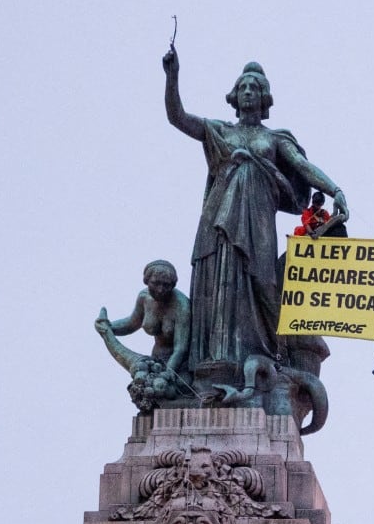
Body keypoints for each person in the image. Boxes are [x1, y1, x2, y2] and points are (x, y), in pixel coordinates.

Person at [162, 49, 347, 399]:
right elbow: (177, 117)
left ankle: (273, 353)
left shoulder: (274, 139)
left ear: (264, 98)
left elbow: (302, 167)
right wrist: (172, 77)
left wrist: (334, 189)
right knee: (218, 287)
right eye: (243, 87)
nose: (248, 92)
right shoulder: (219, 130)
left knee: (263, 283)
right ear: (235, 96)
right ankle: (217, 362)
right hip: (218, 221)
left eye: (255, 88)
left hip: (258, 224)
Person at [99, 259, 191, 377]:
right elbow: (131, 324)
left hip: (180, 365)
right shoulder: (144, 298)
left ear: (172, 285)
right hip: (156, 360)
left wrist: (168, 373)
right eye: (155, 283)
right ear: (147, 281)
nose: (160, 290)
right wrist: (107, 326)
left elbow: (180, 348)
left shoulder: (182, 306)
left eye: (166, 285)